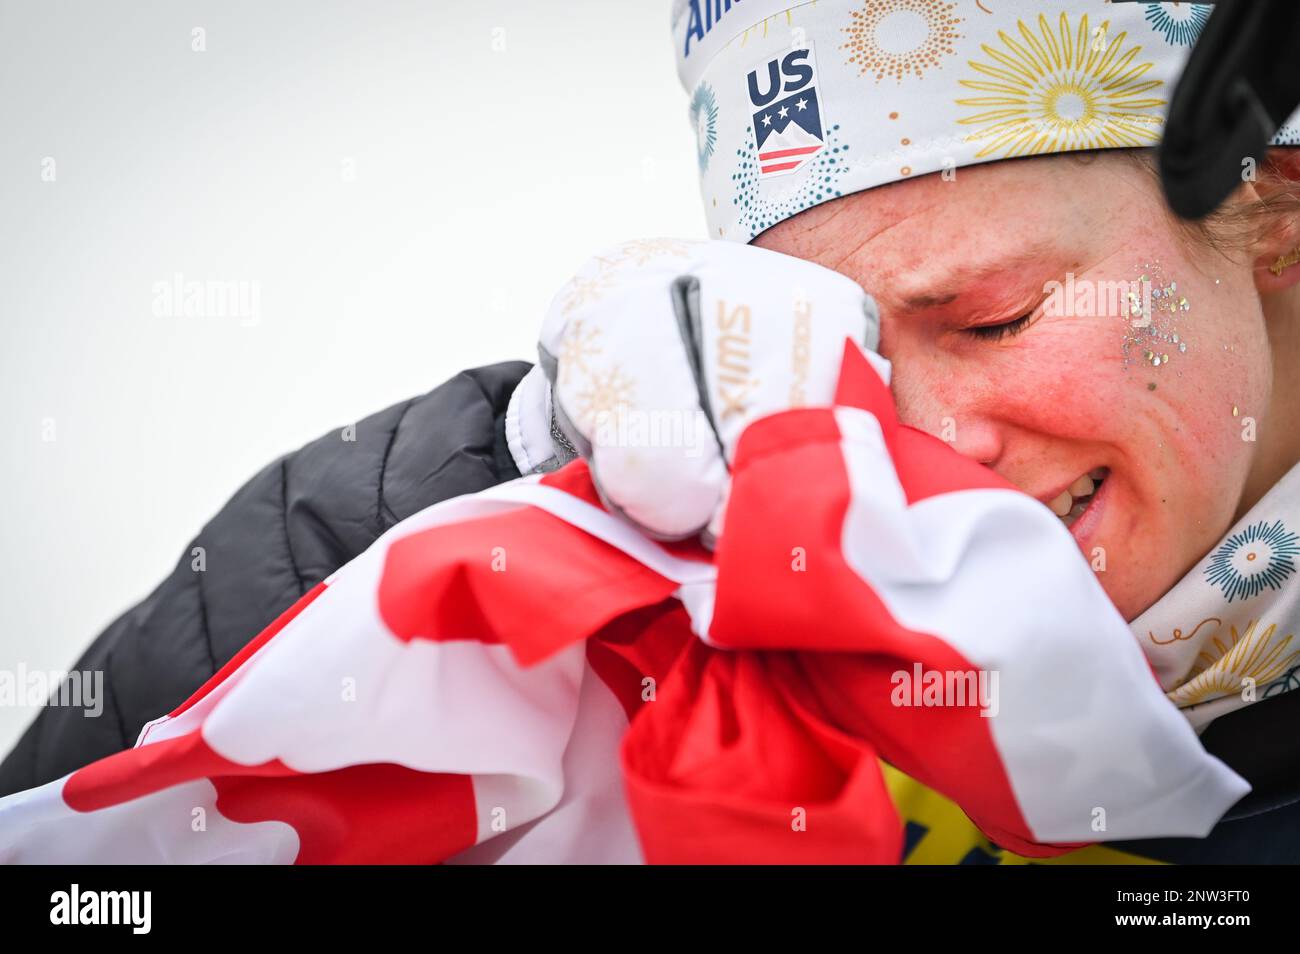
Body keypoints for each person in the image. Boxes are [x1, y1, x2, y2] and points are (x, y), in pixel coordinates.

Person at [3, 0, 1298, 863]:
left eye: (996, 320)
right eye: (842, 349)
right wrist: (515, 486)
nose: (931, 446)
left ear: (1274, 209)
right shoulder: (699, 577)